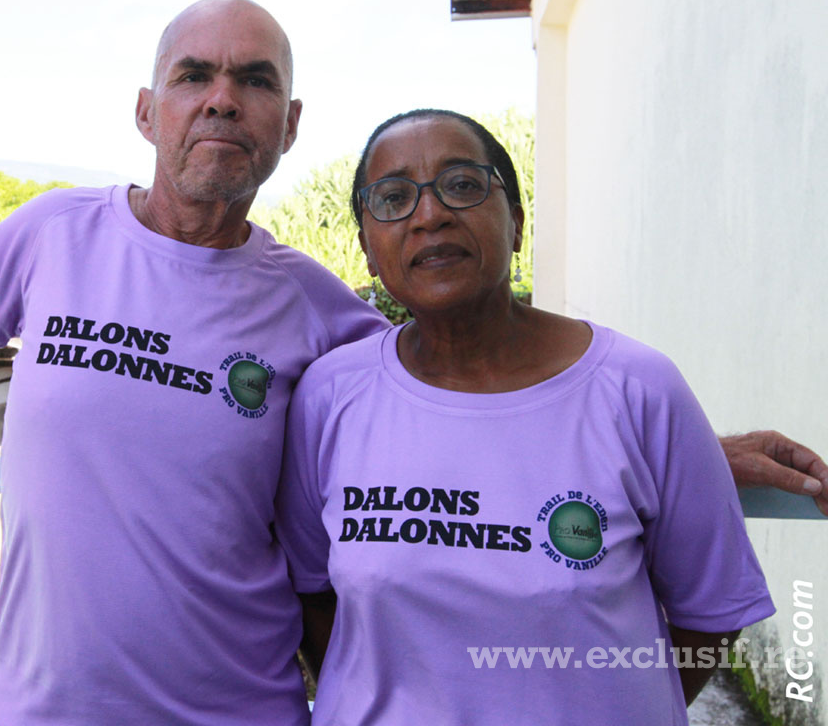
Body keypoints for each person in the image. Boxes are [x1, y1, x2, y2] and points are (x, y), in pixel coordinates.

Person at [0, 0, 824, 724]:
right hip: (44, 710)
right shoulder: (51, 236)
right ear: (148, 111)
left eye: (254, 80)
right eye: (196, 77)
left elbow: (491, 390)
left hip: (245, 713)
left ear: (288, 125)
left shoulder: (320, 312)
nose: (224, 99)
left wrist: (684, 456)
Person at [276, 109, 778, 725]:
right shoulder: (330, 396)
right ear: (368, 252)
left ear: (515, 222)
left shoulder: (640, 389)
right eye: (393, 198)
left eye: (462, 185)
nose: (429, 215)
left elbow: (709, 615)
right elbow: (312, 594)